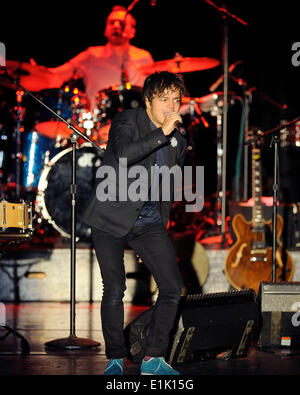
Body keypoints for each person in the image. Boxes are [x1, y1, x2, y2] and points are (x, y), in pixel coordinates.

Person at [83, 71, 187, 375]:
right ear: (148, 101)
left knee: (172, 287)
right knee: (114, 288)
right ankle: (115, 357)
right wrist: (162, 133)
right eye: (164, 99)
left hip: (149, 220)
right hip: (111, 217)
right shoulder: (127, 120)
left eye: (176, 100)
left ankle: (154, 358)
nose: (171, 105)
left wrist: (160, 230)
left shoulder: (178, 140)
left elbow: (168, 185)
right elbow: (124, 155)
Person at [49, 5, 154, 110]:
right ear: (105, 30)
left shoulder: (144, 57)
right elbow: (56, 75)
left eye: (122, 23)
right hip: (98, 123)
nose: (116, 26)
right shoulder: (91, 55)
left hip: (136, 120)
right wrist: (37, 72)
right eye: (111, 23)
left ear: (132, 31)